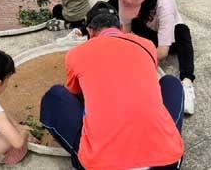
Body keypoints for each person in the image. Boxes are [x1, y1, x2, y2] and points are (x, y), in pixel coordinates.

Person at [40, 12, 185, 170]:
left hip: (102, 165)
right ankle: (165, 142)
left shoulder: (75, 54)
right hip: (166, 163)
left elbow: (74, 94)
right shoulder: (147, 45)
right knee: (171, 82)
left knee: (55, 96)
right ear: (121, 29)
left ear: (90, 32)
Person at [112, 0, 196, 115]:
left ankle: (187, 82)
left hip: (171, 39)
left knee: (183, 31)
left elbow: (163, 51)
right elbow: (125, 32)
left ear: (145, 1)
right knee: (112, 6)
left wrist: (138, 63)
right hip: (149, 32)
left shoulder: (164, 2)